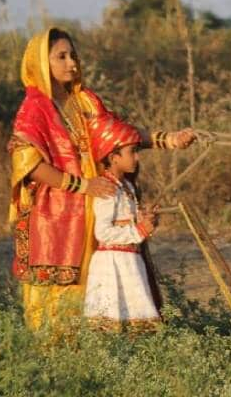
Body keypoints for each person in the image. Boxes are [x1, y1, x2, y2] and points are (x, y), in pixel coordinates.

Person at [8, 27, 195, 330]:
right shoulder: (33, 110)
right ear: (42, 63)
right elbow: (28, 165)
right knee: (59, 295)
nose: (72, 63)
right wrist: (82, 185)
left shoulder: (85, 102)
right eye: (62, 57)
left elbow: (118, 137)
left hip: (96, 208)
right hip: (54, 216)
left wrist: (168, 140)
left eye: (73, 55)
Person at [83, 112, 160, 330]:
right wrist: (139, 231)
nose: (136, 157)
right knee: (110, 323)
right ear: (113, 156)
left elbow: (130, 224)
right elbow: (103, 233)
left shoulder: (128, 187)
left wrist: (146, 220)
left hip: (130, 262)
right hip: (112, 264)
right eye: (131, 152)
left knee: (137, 326)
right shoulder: (106, 189)